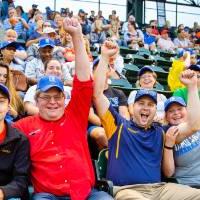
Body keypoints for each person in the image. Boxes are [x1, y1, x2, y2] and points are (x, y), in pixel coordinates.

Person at [13, 17, 113, 200]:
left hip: (85, 194)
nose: (52, 101)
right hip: (47, 195)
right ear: (37, 100)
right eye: (46, 97)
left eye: (57, 97)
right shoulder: (24, 126)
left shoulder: (75, 115)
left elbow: (83, 81)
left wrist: (77, 35)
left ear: (63, 99)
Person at [93, 40, 200, 200]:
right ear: (132, 108)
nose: (145, 107)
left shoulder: (161, 132)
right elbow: (97, 94)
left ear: (155, 110)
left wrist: (192, 87)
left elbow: (194, 125)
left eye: (150, 104)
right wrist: (104, 57)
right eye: (141, 103)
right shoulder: (118, 125)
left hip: (160, 190)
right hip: (127, 190)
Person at [0, 83, 30, 200]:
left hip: (8, 195)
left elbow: (21, 181)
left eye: (1, 101)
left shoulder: (20, 139)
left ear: (8, 107)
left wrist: (2, 193)